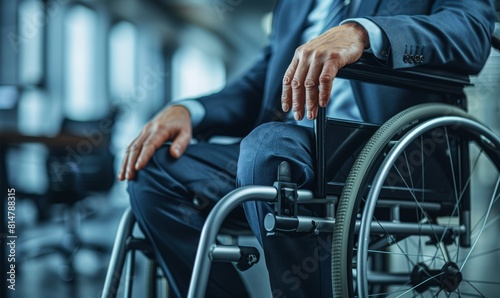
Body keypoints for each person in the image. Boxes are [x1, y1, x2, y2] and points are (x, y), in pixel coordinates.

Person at [118, 0, 496, 297]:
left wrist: (364, 33)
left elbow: (472, 32)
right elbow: (261, 81)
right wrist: (190, 110)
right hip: (284, 147)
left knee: (267, 149)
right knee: (153, 170)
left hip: (384, 149)